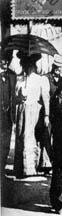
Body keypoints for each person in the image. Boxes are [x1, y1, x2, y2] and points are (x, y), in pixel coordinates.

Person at [13, 52, 51, 179]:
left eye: (29, 65)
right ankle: (19, 168)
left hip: (34, 111)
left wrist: (46, 115)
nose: (27, 67)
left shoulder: (40, 79)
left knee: (29, 137)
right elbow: (15, 97)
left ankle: (29, 168)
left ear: (33, 65)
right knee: (20, 137)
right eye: (25, 64)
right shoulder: (20, 80)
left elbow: (45, 98)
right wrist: (19, 96)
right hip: (21, 111)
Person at [35, 54, 62, 175]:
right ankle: (45, 165)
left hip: (59, 113)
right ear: (53, 67)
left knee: (58, 138)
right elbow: (45, 96)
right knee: (46, 137)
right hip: (47, 112)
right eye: (57, 67)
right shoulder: (46, 78)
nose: (59, 70)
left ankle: (57, 164)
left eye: (60, 68)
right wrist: (46, 115)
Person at [0, 55, 16, 187]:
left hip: (7, 116)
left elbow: (14, 95)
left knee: (5, 144)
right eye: (1, 59)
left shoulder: (12, 75)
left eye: (6, 60)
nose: (4, 62)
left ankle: (2, 170)